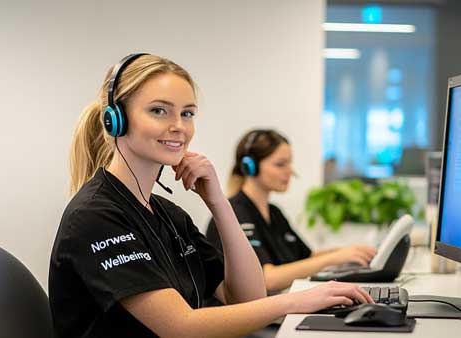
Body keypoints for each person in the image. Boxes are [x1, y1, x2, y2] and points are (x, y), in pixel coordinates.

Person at [49, 54, 373, 338]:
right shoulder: (96, 216)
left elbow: (247, 298)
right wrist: (297, 301)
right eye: (159, 111)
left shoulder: (168, 214)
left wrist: (219, 203)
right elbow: (180, 326)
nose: (179, 126)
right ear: (116, 119)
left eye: (187, 113)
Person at [206, 129, 377, 292]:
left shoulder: (274, 213)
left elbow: (307, 258)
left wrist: (348, 252)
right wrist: (334, 258)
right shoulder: (234, 213)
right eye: (280, 164)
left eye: (290, 163)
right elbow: (266, 278)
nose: (290, 171)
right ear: (250, 167)